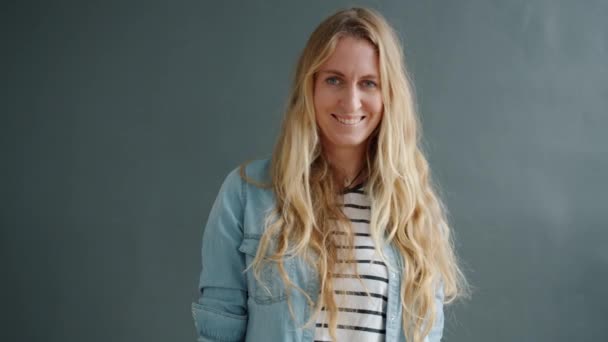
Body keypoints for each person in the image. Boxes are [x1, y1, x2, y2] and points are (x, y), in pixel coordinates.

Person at [192, 7, 468, 342]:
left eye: (368, 83)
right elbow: (218, 331)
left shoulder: (414, 212)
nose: (351, 101)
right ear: (310, 87)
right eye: (334, 80)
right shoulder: (247, 194)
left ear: (388, 95)